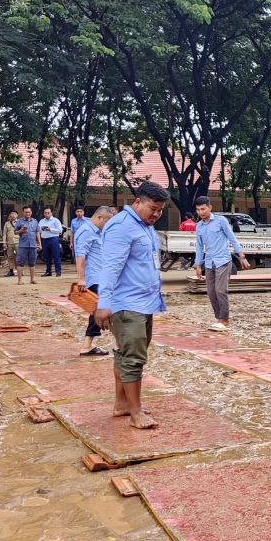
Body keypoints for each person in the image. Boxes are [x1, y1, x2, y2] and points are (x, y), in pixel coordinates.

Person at [95, 181, 169, 430]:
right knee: (134, 358)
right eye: (152, 209)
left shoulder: (145, 226)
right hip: (127, 304)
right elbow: (110, 267)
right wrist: (103, 303)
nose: (156, 214)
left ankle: (122, 404)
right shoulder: (122, 227)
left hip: (144, 303)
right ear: (138, 202)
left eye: (160, 210)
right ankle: (136, 413)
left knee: (125, 354)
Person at [194, 198, 251, 332]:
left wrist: (242, 256)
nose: (200, 212)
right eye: (198, 210)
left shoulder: (221, 221)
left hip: (223, 261)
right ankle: (218, 318)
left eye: (203, 209)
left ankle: (224, 320)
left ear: (210, 207)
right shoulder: (199, 226)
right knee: (211, 292)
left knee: (220, 290)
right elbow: (199, 246)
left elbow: (232, 238)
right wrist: (198, 265)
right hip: (209, 262)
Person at [74, 206, 114, 356]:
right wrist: (81, 279)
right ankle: (118, 343)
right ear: (100, 217)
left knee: (99, 310)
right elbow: (80, 256)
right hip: (94, 278)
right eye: (107, 222)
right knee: (102, 310)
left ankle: (88, 345)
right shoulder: (86, 231)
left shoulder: (97, 232)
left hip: (101, 277)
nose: (107, 225)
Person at [14, 207, 39, 284]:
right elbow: (15, 232)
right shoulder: (20, 221)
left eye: (29, 212)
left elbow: (37, 233)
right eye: (26, 212)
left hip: (33, 245)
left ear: (31, 212)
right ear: (23, 213)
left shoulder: (35, 221)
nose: (28, 213)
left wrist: (39, 244)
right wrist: (21, 230)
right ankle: (20, 280)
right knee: (20, 263)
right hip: (23, 245)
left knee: (32, 263)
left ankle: (32, 279)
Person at [38, 206, 64, 277]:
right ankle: (48, 271)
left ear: (51, 213)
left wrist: (50, 229)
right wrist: (42, 229)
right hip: (44, 240)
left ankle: (58, 272)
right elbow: (38, 230)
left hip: (53, 239)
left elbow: (60, 230)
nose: (46, 214)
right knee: (46, 257)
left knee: (56, 256)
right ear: (43, 213)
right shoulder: (41, 221)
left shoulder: (56, 220)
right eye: (45, 213)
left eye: (48, 213)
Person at [1, 211, 19, 277]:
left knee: (19, 257)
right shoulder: (7, 223)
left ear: (17, 215)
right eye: (11, 214)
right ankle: (11, 271)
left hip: (18, 242)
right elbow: (4, 234)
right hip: (9, 243)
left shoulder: (20, 222)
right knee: (10, 257)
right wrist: (4, 242)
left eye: (14, 214)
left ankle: (20, 271)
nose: (13, 215)